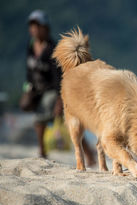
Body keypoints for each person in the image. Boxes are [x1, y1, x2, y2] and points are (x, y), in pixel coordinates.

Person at [25, 10, 95, 165]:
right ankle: (43, 152)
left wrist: (59, 98)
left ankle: (88, 154)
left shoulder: (52, 49)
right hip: (37, 90)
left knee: (60, 121)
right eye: (32, 26)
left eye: (37, 26)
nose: (34, 29)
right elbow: (28, 72)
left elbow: (59, 75)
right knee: (47, 122)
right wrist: (27, 89)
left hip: (53, 90)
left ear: (45, 27)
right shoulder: (31, 47)